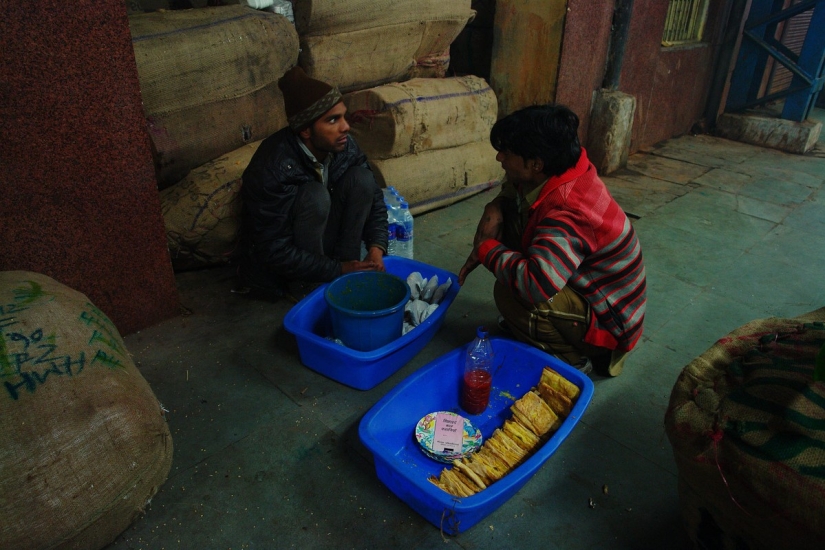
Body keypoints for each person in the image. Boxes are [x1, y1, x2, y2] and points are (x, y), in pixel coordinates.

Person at [458, 104, 646, 376]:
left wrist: (485, 248)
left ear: (536, 164)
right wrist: (496, 205)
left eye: (507, 153)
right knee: (513, 216)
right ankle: (544, 328)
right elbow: (516, 187)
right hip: (588, 289)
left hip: (609, 324)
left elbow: (537, 285)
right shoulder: (567, 164)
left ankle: (572, 361)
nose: (499, 157)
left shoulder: (568, 209)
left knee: (510, 292)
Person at [236, 66, 388, 299]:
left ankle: (349, 267)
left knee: (363, 179)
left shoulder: (343, 144)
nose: (345, 126)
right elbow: (274, 250)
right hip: (285, 267)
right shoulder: (272, 166)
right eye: (333, 120)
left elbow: (375, 197)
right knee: (315, 195)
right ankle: (308, 287)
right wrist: (335, 269)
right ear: (306, 131)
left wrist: (376, 249)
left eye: (344, 116)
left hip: (323, 246)